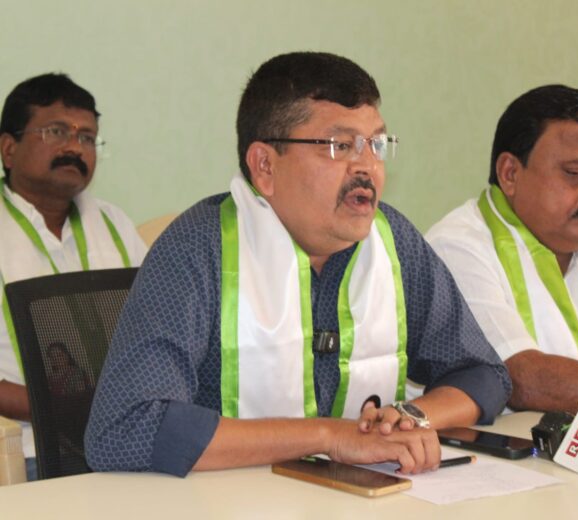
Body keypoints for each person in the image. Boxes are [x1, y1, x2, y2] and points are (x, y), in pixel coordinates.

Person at [85, 52, 511, 478]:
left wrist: (408, 419)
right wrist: (330, 436)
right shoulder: (200, 248)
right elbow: (126, 429)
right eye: (340, 146)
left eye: (377, 145)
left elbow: (483, 374)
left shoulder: (393, 241)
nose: (367, 167)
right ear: (265, 166)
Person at [426, 84, 578, 420]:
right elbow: (522, 378)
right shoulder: (456, 248)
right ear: (510, 173)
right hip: (511, 452)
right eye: (576, 174)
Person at [0, 73, 147, 479]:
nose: (74, 147)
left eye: (87, 137)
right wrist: (62, 408)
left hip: (128, 441)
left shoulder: (114, 223)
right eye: (56, 132)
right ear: (8, 148)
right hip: (30, 450)